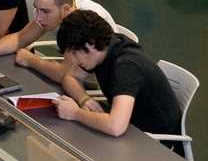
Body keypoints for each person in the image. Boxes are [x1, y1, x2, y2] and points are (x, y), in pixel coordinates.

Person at [53, 10, 181, 141]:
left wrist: (75, 113)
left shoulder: (126, 67)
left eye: (74, 53)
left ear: (90, 44)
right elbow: (69, 78)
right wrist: (84, 99)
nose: (74, 60)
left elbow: (115, 126)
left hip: (154, 140)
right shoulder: (104, 46)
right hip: (129, 124)